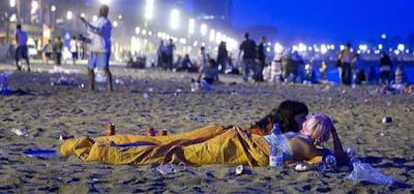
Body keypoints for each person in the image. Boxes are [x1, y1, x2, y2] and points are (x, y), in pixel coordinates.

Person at [61, 111, 346, 167]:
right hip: (236, 139)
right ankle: (101, 146)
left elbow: (337, 158)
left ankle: (99, 147)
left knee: (172, 149)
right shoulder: (306, 144)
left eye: (309, 121)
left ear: (312, 128)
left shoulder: (306, 145)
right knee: (172, 146)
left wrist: (332, 135)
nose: (303, 121)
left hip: (236, 143)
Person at [80, 4, 113, 91]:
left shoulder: (106, 23)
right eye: (100, 9)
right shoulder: (96, 22)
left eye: (102, 10)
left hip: (103, 49)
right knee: (90, 69)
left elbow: (97, 30)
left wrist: (86, 23)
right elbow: (91, 36)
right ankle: (92, 86)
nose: (100, 11)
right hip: (93, 49)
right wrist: (84, 39)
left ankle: (110, 86)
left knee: (105, 69)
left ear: (106, 12)